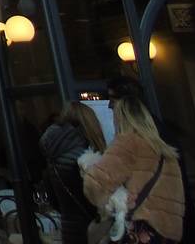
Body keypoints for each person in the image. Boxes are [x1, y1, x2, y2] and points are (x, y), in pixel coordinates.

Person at [83, 95, 186, 244]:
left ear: (120, 117)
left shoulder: (128, 142)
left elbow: (94, 185)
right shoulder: (164, 148)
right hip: (167, 233)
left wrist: (116, 200)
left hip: (140, 229)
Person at [40, 103, 109, 244]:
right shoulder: (86, 159)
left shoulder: (53, 158)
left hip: (70, 231)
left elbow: (53, 200)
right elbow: (102, 201)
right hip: (95, 230)